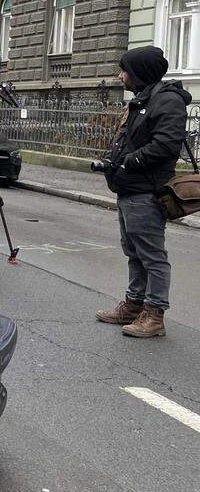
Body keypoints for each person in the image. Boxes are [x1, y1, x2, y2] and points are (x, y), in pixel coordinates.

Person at [95, 46, 191, 338]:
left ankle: (155, 314)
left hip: (147, 190)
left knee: (152, 255)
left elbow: (166, 145)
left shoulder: (168, 101)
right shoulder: (143, 98)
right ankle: (134, 304)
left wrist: (128, 162)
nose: (121, 76)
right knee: (133, 251)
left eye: (125, 70)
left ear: (140, 73)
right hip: (129, 188)